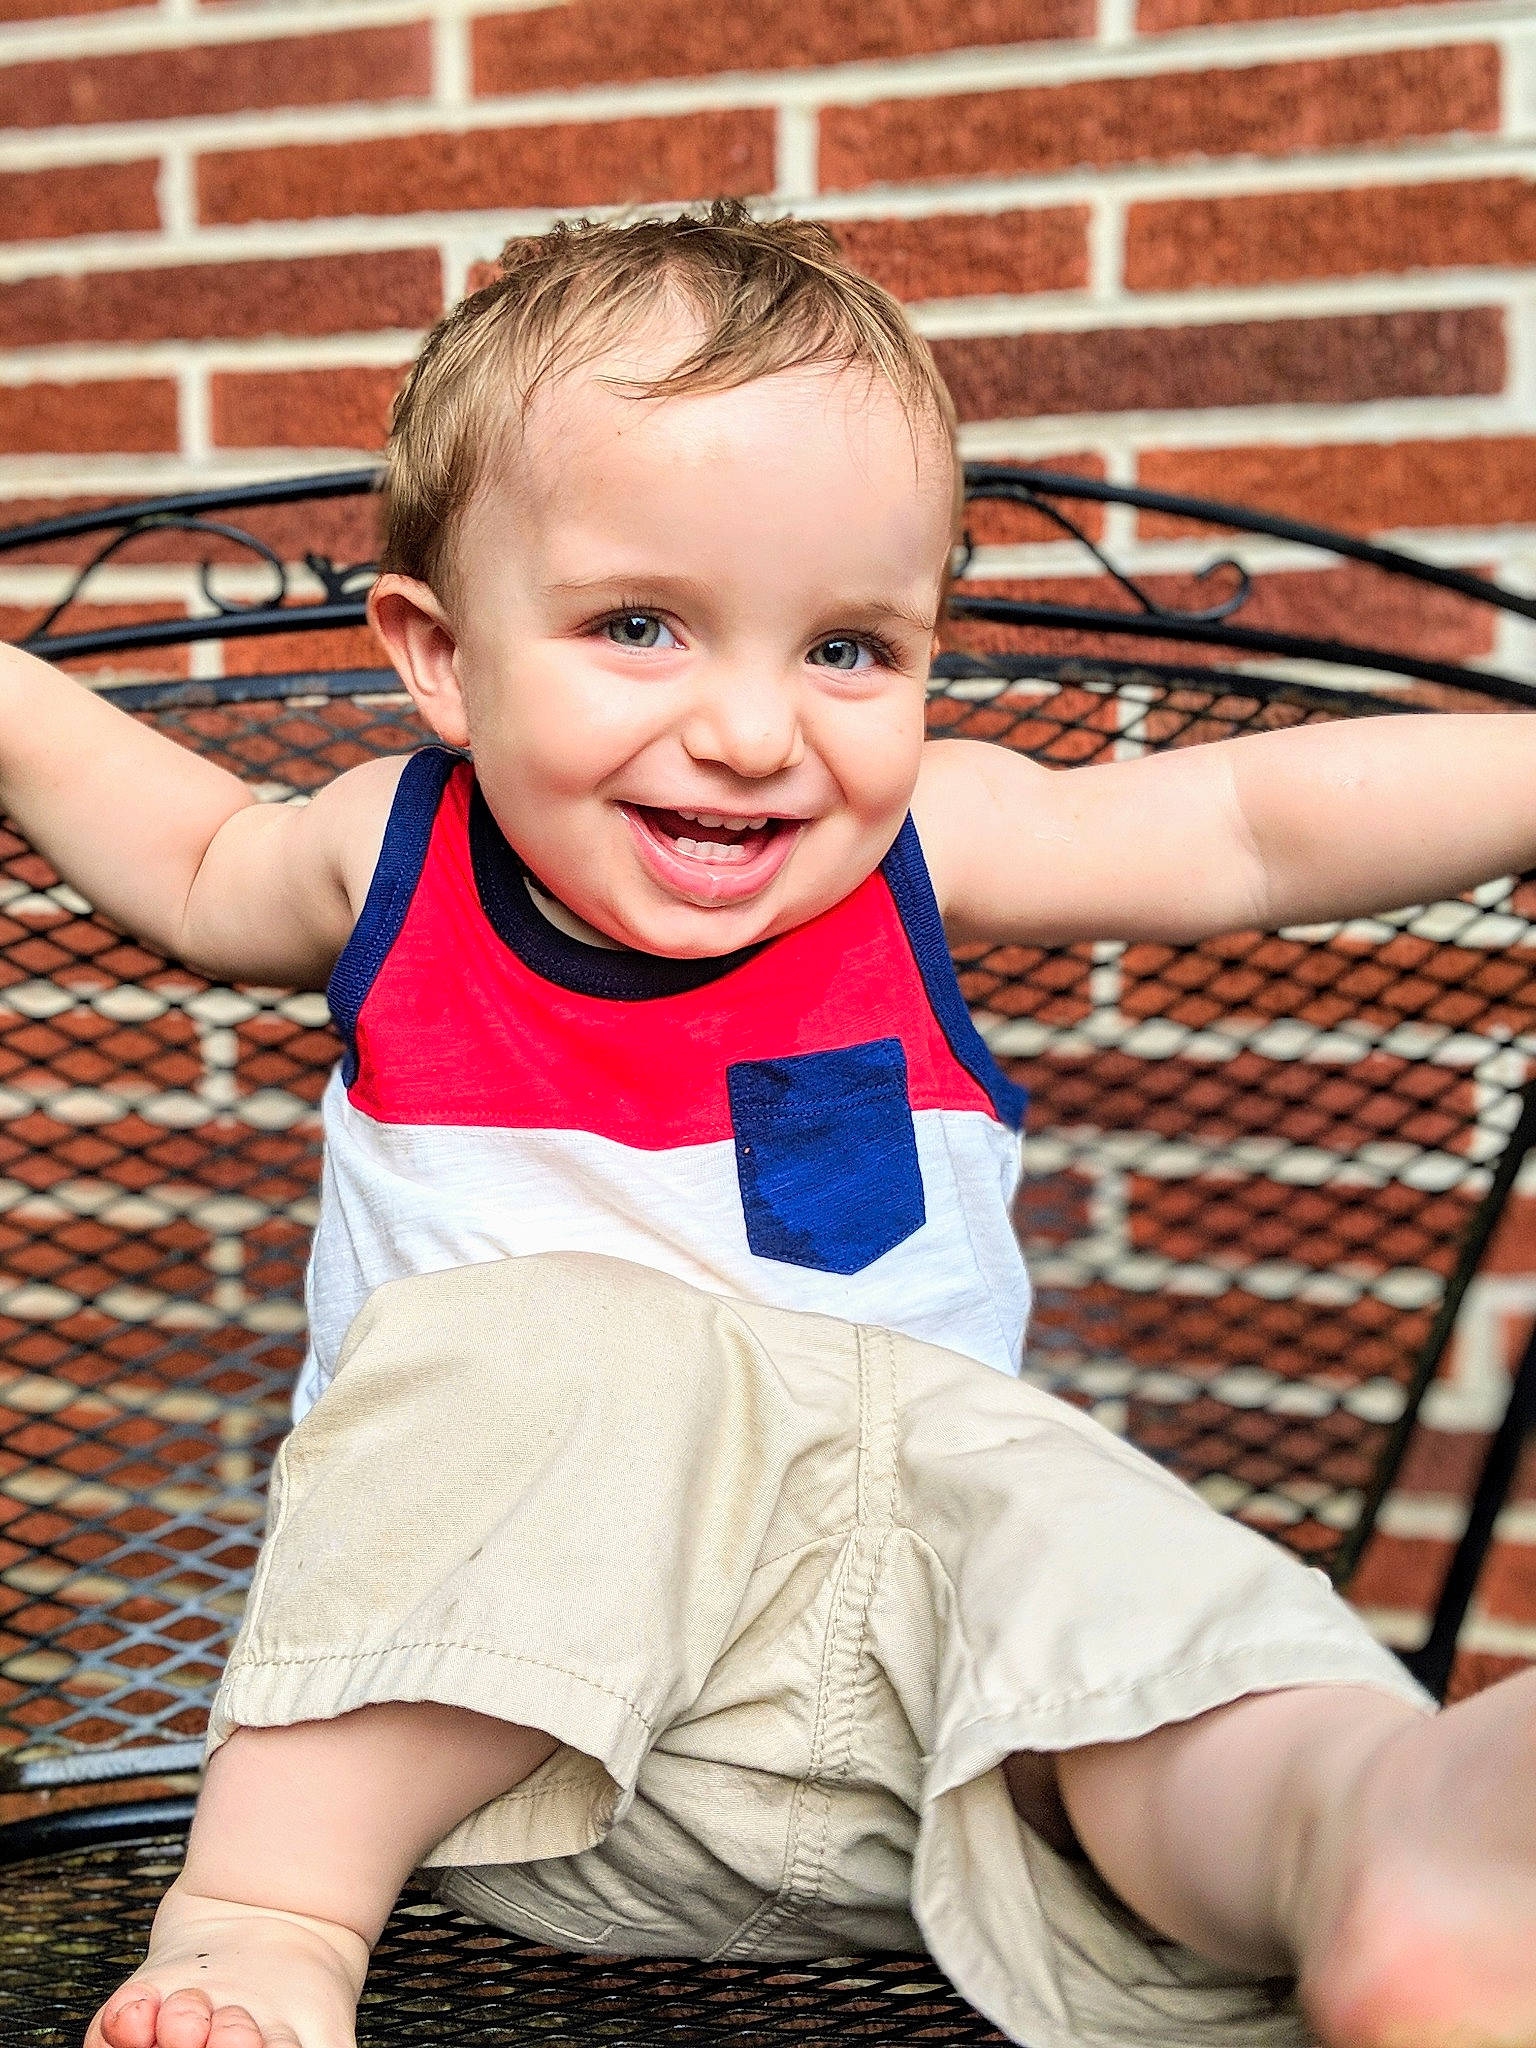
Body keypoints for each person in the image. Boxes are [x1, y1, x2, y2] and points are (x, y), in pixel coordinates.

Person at [0, 202, 1527, 2048]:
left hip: (924, 1751)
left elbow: (1247, 829)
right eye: (640, 626)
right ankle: (265, 1918)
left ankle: (1368, 1833)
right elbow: (186, 853)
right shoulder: (386, 861)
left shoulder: (921, 849)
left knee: (1081, 1543)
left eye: (851, 649)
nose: (750, 729)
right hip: (520, 1733)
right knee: (516, 1348)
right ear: (443, 658)